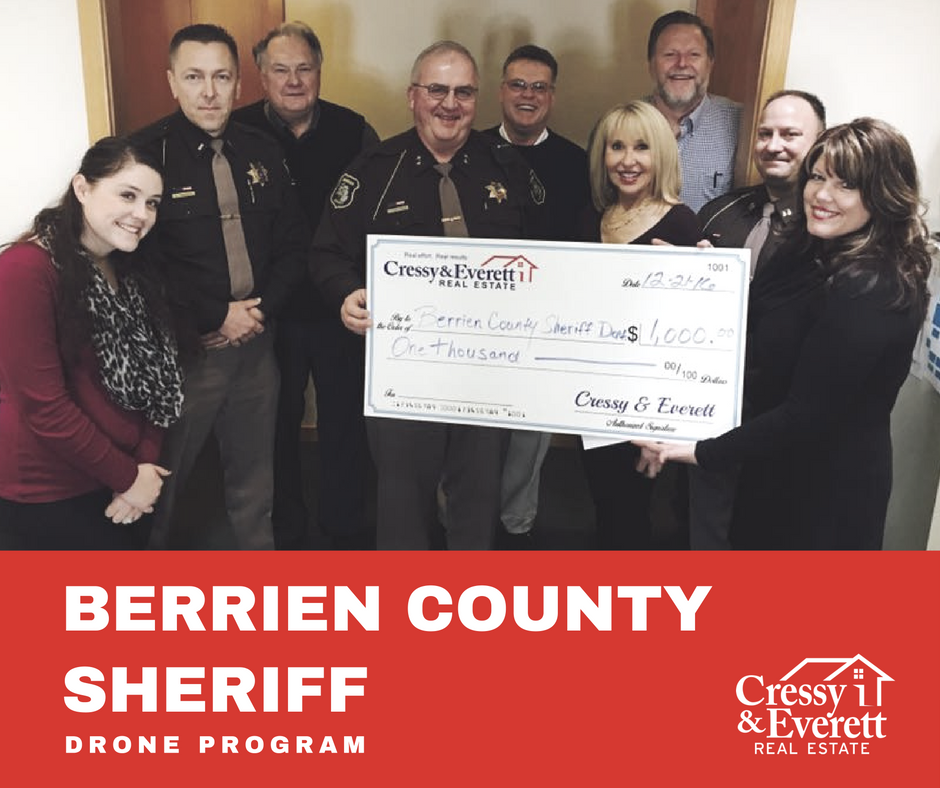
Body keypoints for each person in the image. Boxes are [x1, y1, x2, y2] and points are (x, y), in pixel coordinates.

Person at [640, 118, 932, 550]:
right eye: (818, 177)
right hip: (773, 467)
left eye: (846, 184)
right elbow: (758, 318)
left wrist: (696, 450)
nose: (822, 195)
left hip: (824, 493)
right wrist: (706, 277)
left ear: (883, 195)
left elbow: (805, 415)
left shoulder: (870, 285)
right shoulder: (809, 250)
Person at [311, 40, 547, 549]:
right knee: (403, 505)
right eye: (437, 89)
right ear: (412, 96)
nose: (450, 104)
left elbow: (545, 258)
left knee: (477, 501)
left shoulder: (507, 167)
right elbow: (326, 253)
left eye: (464, 92)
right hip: (404, 374)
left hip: (486, 372)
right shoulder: (373, 170)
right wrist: (346, 294)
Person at [133, 24, 307, 549]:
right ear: (172, 82)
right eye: (194, 77)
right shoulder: (143, 156)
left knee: (255, 482)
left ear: (238, 84)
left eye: (221, 77)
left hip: (256, 347)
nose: (209, 92)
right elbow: (139, 263)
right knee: (161, 481)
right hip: (187, 352)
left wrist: (256, 314)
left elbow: (293, 245)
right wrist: (215, 315)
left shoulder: (263, 149)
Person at [233, 22, 380, 550]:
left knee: (344, 422)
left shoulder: (354, 130)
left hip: (338, 305)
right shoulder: (237, 132)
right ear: (261, 76)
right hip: (268, 308)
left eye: (304, 68)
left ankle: (345, 525)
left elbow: (376, 215)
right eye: (281, 70)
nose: (293, 81)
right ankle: (286, 528)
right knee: (275, 425)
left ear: (319, 71)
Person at [0, 137, 182, 549]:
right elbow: (45, 408)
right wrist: (129, 478)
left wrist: (144, 465)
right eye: (128, 195)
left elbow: (161, 381)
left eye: (152, 203)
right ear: (82, 188)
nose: (142, 214)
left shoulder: (130, 267)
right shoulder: (25, 270)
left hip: (124, 479)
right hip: (50, 492)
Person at [689, 89, 826, 549]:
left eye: (790, 134)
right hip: (712, 412)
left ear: (820, 142)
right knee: (706, 533)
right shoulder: (718, 213)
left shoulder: (829, 227)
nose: (774, 145)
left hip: (786, 420)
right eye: (765, 133)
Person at [575, 100, 701, 549]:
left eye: (642, 147)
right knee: (604, 505)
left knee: (634, 515)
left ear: (661, 154)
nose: (627, 161)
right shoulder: (591, 219)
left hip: (648, 406)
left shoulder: (681, 224)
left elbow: (691, 339)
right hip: (593, 397)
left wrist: (659, 426)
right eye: (617, 147)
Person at [484, 44, 591, 547]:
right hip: (477, 324)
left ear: (552, 95)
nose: (527, 96)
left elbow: (586, 246)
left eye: (539, 87)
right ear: (501, 91)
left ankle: (516, 529)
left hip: (545, 326)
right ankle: (461, 523)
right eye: (518, 85)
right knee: (470, 433)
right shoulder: (471, 150)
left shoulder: (577, 163)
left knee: (529, 440)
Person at [646, 10, 741, 212]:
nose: (682, 63)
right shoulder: (621, 125)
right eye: (670, 55)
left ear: (710, 64)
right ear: (651, 64)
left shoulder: (740, 123)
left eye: (694, 55)